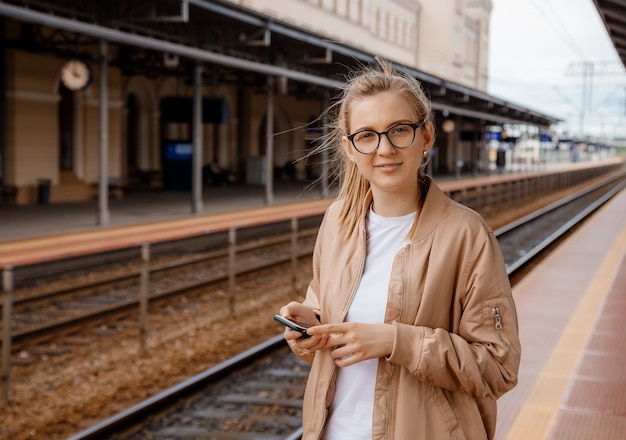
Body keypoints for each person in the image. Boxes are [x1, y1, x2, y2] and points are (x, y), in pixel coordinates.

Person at [278, 58, 521, 440]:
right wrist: (310, 326)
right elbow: (331, 318)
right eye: (367, 135)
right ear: (350, 148)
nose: (384, 148)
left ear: (425, 138)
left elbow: (498, 367)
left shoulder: (467, 235)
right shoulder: (337, 223)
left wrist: (395, 341)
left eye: (399, 130)